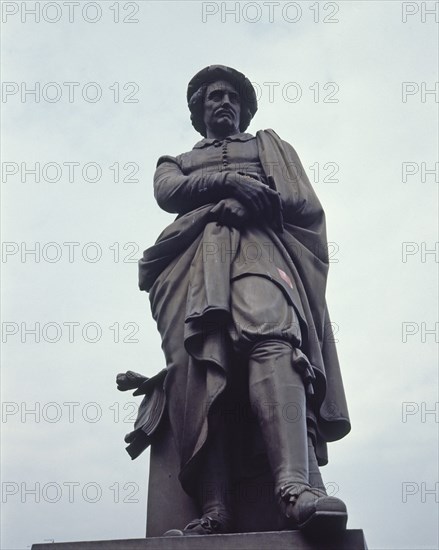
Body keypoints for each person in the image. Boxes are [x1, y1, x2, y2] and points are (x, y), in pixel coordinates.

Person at [134, 65, 351, 536]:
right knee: (198, 367)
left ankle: (295, 488)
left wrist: (253, 202)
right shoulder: (175, 161)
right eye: (213, 97)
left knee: (272, 336)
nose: (223, 102)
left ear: (246, 108)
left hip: (257, 247)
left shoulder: (269, 147)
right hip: (189, 262)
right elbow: (167, 194)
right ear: (199, 110)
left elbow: (302, 204)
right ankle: (215, 509)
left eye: (232, 96)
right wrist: (228, 188)